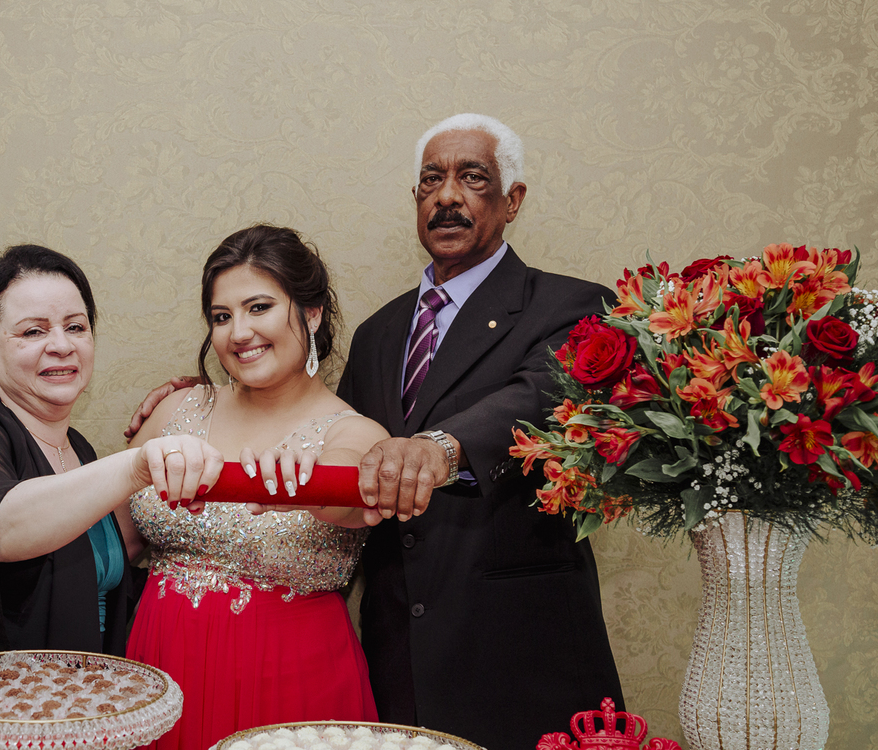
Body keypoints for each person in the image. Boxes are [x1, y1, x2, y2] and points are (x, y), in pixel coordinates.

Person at [334, 113, 623, 749]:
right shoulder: (378, 334)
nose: (446, 196)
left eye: (472, 178)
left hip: (523, 653)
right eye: (430, 180)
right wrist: (210, 398)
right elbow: (333, 433)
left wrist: (442, 446)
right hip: (398, 656)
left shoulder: (575, 306)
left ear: (512, 200)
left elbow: (540, 394)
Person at [0, 245, 221, 750]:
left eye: (76, 327)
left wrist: (206, 406)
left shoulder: (78, 450)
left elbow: (108, 564)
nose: (61, 345)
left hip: (48, 713)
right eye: (33, 331)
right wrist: (136, 465)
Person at [124, 225, 390, 750]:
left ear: (311, 313)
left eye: (259, 307)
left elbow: (345, 497)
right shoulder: (177, 409)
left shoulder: (355, 433)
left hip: (289, 678)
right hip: (158, 671)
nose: (239, 332)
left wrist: (305, 484)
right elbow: (114, 542)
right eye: (222, 317)